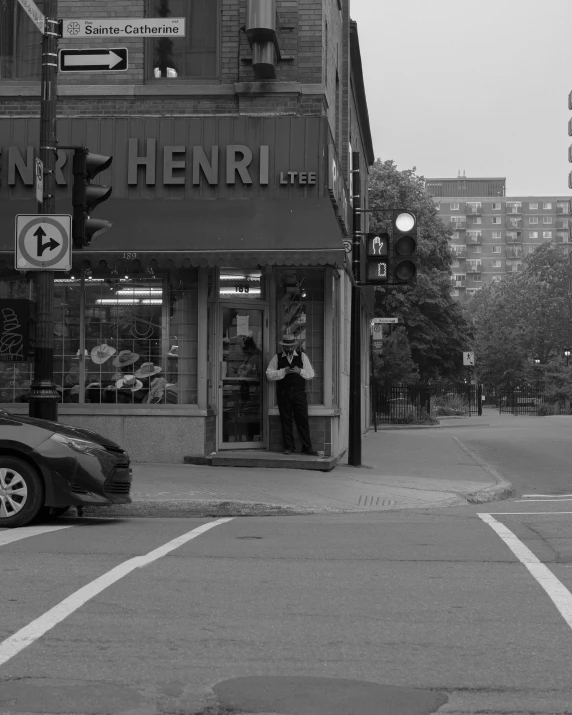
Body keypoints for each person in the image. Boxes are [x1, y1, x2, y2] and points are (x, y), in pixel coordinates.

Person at [266, 333, 318, 456]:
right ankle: (289, 447)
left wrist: (299, 371)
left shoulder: (302, 356)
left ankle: (307, 447)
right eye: (286, 347)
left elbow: (311, 374)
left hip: (299, 394)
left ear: (294, 346)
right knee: (286, 420)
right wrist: (283, 371)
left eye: (291, 347)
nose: (289, 349)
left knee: (302, 420)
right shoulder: (277, 358)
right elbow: (269, 374)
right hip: (284, 393)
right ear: (283, 347)